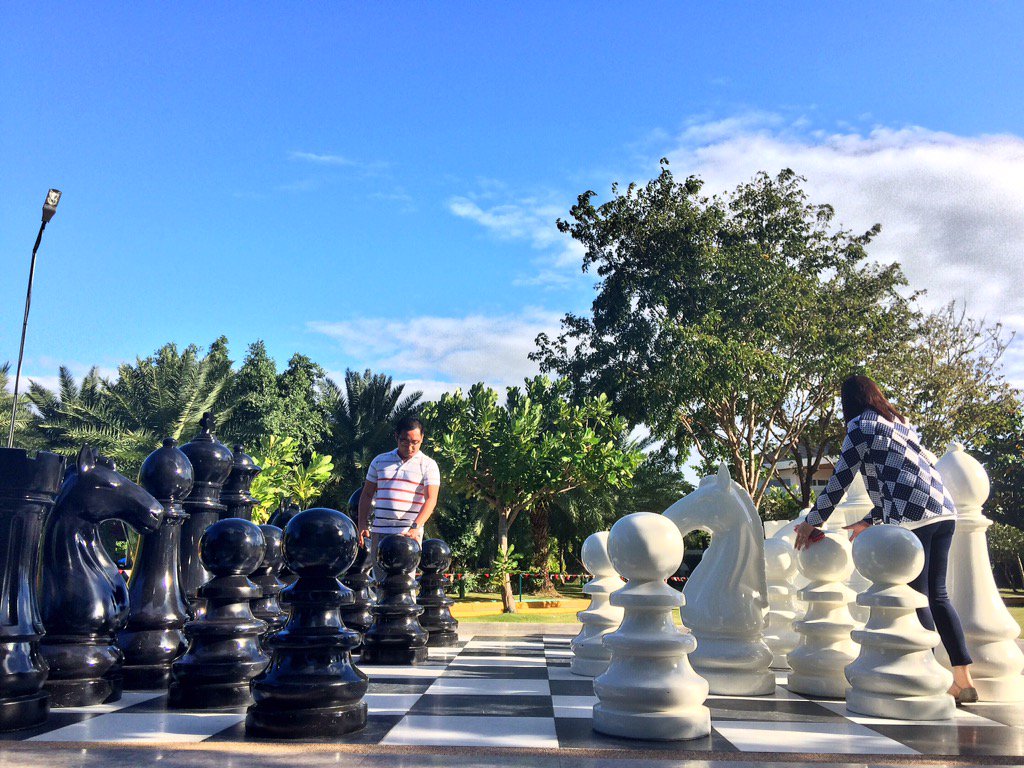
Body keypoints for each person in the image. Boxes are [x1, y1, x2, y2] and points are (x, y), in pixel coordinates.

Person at [794, 375, 976, 704]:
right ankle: (964, 679)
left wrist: (811, 521)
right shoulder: (899, 423)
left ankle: (931, 672)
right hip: (944, 510)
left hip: (916, 516)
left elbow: (840, 479)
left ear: (848, 402)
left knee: (915, 597)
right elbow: (890, 481)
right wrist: (868, 520)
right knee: (938, 595)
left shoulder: (860, 427)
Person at [357, 416, 440, 581]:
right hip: (380, 531)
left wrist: (416, 527)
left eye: (415, 442)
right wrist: (361, 524)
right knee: (381, 584)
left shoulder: (428, 465)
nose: (410, 446)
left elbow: (431, 499)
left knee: (405, 585)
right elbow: (366, 495)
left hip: (408, 534)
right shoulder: (379, 461)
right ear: (396, 436)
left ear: (422, 438)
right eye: (405, 441)